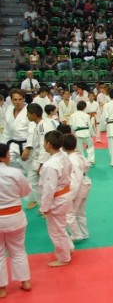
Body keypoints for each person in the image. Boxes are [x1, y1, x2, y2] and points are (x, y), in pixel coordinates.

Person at [0, 143, 32, 297]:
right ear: (6, 156)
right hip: (15, 217)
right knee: (18, 250)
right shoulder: (15, 172)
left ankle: (1, 289)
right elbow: (26, 191)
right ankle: (25, 281)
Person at [38, 130, 74, 267]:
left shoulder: (50, 165)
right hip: (65, 194)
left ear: (48, 144)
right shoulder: (64, 156)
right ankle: (69, 247)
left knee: (55, 230)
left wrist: (44, 208)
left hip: (57, 198)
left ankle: (64, 257)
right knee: (61, 225)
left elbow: (49, 189)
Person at [62, 134, 91, 242]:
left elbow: (75, 180)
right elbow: (87, 166)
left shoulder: (72, 160)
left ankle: (76, 235)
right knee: (80, 212)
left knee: (69, 214)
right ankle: (84, 233)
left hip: (78, 187)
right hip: (85, 184)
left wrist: (71, 195)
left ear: (63, 147)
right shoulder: (79, 155)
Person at [1, 91, 30, 172]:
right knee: (5, 164)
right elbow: (6, 130)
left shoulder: (29, 110)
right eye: (15, 99)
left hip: (26, 144)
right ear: (11, 100)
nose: (18, 102)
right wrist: (4, 146)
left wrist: (28, 148)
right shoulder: (9, 110)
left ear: (24, 99)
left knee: (29, 169)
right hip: (13, 144)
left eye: (20, 99)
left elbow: (32, 132)